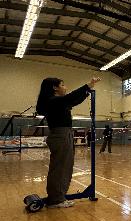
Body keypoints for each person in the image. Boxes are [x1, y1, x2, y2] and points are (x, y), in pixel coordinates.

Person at [35, 77, 101, 208]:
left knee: (63, 167)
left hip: (63, 135)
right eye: (62, 85)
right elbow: (71, 98)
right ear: (55, 87)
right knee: (61, 168)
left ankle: (57, 196)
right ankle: (56, 200)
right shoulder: (53, 101)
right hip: (61, 136)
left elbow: (74, 100)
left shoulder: (57, 102)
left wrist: (86, 91)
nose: (65, 87)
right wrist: (88, 85)